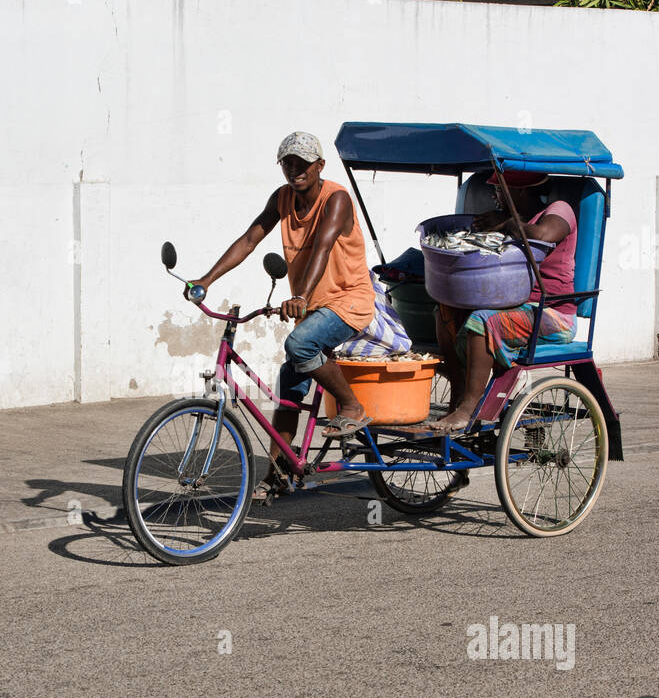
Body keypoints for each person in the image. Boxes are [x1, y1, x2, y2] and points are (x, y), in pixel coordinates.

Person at [188, 131, 401, 501]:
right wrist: (206, 279)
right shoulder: (282, 198)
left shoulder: (336, 199)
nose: (294, 170)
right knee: (289, 386)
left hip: (349, 302)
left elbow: (322, 245)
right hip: (314, 308)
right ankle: (279, 473)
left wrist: (301, 295)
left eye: (302, 163)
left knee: (300, 343)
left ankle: (351, 406)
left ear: (319, 166)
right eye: (287, 163)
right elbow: (250, 239)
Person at [430, 171, 579, 435]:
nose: (494, 198)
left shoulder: (559, 210)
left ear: (517, 191)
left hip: (551, 313)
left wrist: (508, 223)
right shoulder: (508, 221)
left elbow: (543, 234)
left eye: (497, 191)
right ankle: (458, 398)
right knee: (444, 310)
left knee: (483, 320)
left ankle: (468, 410)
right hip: (513, 304)